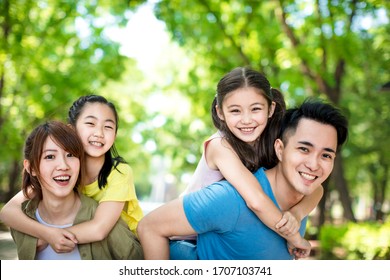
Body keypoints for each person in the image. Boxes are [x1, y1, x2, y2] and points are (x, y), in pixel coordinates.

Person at [137, 98, 348, 260]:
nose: (314, 164)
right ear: (280, 149)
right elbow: (150, 227)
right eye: (304, 149)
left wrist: (296, 214)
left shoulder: (303, 200)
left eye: (326, 155)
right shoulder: (230, 199)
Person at [172, 67, 322, 257]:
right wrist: (294, 237)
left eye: (256, 109)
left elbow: (316, 188)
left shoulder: (271, 144)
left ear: (271, 109)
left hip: (227, 237)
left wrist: (296, 215)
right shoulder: (219, 146)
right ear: (220, 112)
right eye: (235, 111)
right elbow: (256, 200)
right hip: (187, 241)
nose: (246, 120)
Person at [0, 95, 143, 253]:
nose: (99, 133)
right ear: (71, 129)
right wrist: (45, 233)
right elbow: (8, 212)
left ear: (115, 135)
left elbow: (99, 229)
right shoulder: (66, 171)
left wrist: (50, 237)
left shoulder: (119, 172)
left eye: (108, 127)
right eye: (90, 123)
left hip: (124, 247)